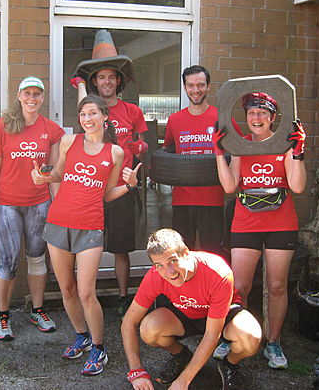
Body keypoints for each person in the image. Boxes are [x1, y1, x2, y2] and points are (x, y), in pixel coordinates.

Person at [31, 94, 141, 376]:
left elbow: (107, 193)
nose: (87, 119)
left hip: (91, 226)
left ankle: (98, 347)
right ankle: (81, 335)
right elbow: (57, 174)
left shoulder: (115, 152)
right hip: (58, 223)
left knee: (86, 292)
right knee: (66, 289)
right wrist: (42, 178)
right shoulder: (69, 142)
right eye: (82, 114)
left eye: (93, 113)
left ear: (105, 117)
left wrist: (130, 186)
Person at [213, 92, 307, 369]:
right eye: (252, 113)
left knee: (276, 285)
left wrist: (298, 152)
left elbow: (298, 186)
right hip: (246, 221)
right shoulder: (241, 146)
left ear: (273, 118)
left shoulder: (286, 145)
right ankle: (231, 336)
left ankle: (273, 341)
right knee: (239, 286)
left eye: (263, 113)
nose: (256, 118)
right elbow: (230, 186)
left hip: (281, 222)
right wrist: (220, 152)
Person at [121, 228, 262, 390]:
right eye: (159, 265)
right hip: (185, 312)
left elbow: (211, 334)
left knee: (250, 338)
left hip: (222, 315)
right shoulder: (155, 276)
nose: (169, 272)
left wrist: (183, 381)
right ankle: (181, 356)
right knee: (149, 329)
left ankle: (230, 364)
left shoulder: (218, 272)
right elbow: (129, 323)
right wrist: (136, 371)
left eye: (173, 261)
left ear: (186, 253)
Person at [0, 76, 65, 340]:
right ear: (19, 96)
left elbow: (52, 170)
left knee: (37, 256)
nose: (32, 98)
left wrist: (57, 203)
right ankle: (3, 316)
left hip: (39, 202)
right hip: (7, 203)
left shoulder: (50, 129)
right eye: (27, 93)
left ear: (42, 98)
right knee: (7, 261)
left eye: (37, 94)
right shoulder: (3, 126)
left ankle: (37, 309)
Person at [71, 29, 148, 316]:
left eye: (111, 77)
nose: (106, 82)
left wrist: (140, 146)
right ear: (95, 82)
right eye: (101, 77)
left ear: (119, 81)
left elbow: (143, 142)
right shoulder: (90, 111)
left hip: (122, 187)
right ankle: (85, 295)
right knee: (85, 245)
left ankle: (122, 298)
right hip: (92, 186)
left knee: (120, 248)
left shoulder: (132, 110)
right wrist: (80, 87)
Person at [163, 65, 228, 256]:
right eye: (190, 85)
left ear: (208, 87)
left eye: (200, 85)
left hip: (212, 198)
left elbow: (236, 152)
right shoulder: (175, 120)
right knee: (182, 254)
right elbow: (168, 152)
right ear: (185, 87)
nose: (195, 90)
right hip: (182, 199)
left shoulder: (221, 118)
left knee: (213, 253)